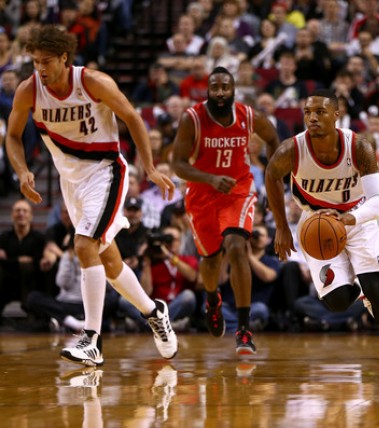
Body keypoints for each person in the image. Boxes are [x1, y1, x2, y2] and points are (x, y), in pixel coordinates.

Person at [5, 25, 178, 366]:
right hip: (71, 182)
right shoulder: (29, 90)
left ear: (64, 58)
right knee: (109, 262)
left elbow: (132, 117)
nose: (40, 68)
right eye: (36, 61)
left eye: (46, 61)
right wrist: (22, 170)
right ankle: (154, 311)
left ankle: (92, 340)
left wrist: (149, 166)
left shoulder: (92, 82)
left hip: (106, 171)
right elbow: (12, 136)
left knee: (84, 245)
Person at [264, 89, 379, 378]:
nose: (312, 118)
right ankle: (363, 294)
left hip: (357, 217)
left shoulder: (358, 147)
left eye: (320, 112)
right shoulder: (291, 150)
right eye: (308, 112)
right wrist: (281, 227)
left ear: (336, 115)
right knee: (337, 301)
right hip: (316, 222)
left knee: (375, 286)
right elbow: (271, 176)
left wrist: (349, 218)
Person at [171, 66, 280, 355]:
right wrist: (209, 179)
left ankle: (243, 329)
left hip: (237, 190)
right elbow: (177, 164)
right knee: (210, 260)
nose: (220, 92)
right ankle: (212, 300)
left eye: (225, 87)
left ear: (233, 90)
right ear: (208, 91)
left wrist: (273, 179)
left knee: (236, 247)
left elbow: (272, 138)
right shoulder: (192, 118)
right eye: (215, 87)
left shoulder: (248, 116)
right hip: (203, 193)